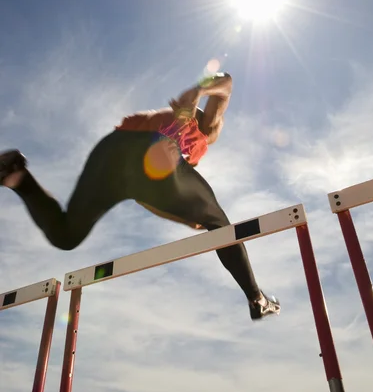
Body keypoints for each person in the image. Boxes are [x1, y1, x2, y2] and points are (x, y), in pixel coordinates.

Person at [0, 72, 280, 321]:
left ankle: (18, 178)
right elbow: (227, 83)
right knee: (219, 222)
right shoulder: (208, 128)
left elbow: (145, 198)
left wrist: (185, 218)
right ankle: (257, 298)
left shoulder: (181, 168)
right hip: (140, 148)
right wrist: (199, 89)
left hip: (113, 159)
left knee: (66, 235)